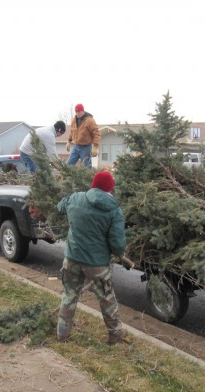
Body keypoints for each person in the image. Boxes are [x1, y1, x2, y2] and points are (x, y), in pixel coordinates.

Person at [56, 170, 127, 344]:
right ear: (110, 188)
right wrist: (119, 253)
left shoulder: (75, 198)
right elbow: (117, 243)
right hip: (96, 264)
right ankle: (115, 335)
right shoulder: (113, 209)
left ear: (93, 184)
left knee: (69, 295)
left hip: (72, 258)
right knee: (106, 299)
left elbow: (60, 207)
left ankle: (62, 334)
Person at [66, 104, 101, 169]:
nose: (77, 113)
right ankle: (66, 178)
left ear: (83, 111)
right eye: (76, 111)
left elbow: (96, 133)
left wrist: (95, 147)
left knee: (87, 167)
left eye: (79, 111)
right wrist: (69, 141)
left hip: (86, 147)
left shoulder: (90, 120)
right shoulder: (74, 120)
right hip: (76, 146)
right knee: (69, 165)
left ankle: (89, 178)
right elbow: (72, 130)